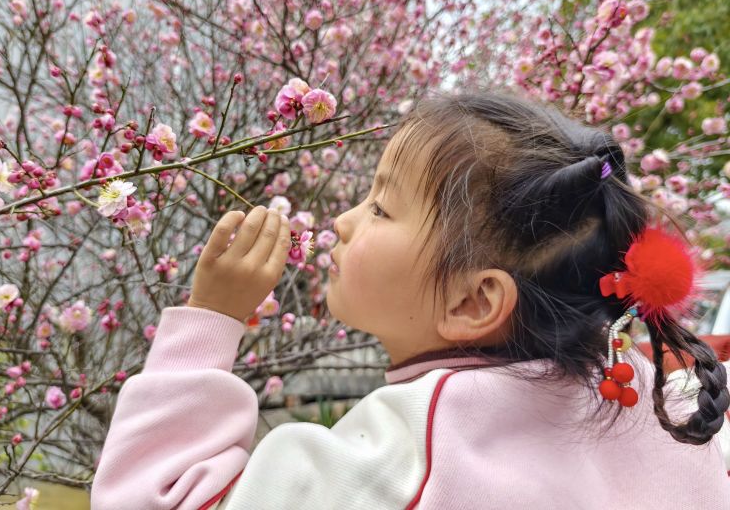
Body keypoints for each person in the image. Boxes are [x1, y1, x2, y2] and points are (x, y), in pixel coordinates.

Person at [90, 90, 730, 509]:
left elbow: (151, 501)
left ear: (474, 302)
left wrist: (208, 324)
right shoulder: (666, 411)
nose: (342, 219)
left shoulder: (405, 456)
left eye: (380, 207)